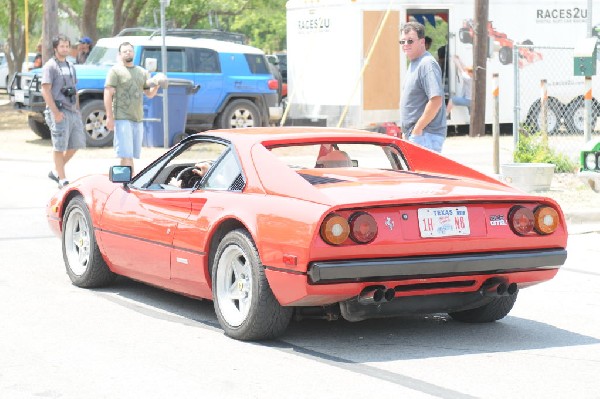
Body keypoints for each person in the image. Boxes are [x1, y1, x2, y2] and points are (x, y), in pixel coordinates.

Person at [103, 42, 163, 175]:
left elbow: (149, 94)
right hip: (122, 117)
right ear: (119, 55)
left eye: (130, 51)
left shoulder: (142, 72)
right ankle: (129, 181)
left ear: (134, 53)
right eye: (124, 51)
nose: (128, 53)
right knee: (126, 154)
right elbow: (108, 93)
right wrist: (109, 116)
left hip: (138, 118)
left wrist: (157, 84)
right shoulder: (115, 71)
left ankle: (124, 180)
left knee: (130, 154)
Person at [40, 34, 86, 189]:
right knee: (59, 146)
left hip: (73, 111)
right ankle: (62, 178)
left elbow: (74, 89)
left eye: (67, 46)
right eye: (62, 46)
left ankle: (55, 170)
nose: (65, 49)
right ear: (55, 48)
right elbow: (45, 90)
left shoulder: (71, 66)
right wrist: (55, 113)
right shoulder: (50, 66)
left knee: (76, 144)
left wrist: (78, 109)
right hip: (58, 110)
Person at [399, 22, 446, 152]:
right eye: (402, 42)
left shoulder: (427, 64)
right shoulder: (414, 63)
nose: (406, 45)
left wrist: (417, 130)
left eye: (410, 41)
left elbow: (436, 100)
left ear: (422, 42)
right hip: (417, 135)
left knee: (423, 173)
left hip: (425, 136)